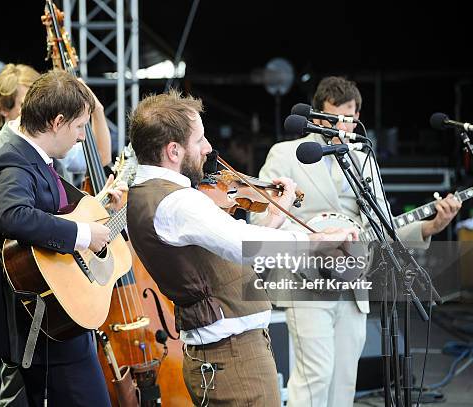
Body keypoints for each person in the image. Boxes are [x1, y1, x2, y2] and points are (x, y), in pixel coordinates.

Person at [126, 90, 357, 406]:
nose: (208, 149)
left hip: (222, 356)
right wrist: (319, 239)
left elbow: (228, 245)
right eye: (200, 140)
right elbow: (244, 245)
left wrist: (273, 217)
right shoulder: (177, 202)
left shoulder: (146, 193)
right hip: (234, 359)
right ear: (173, 151)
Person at [252, 76, 462, 407]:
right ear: (318, 116)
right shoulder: (287, 154)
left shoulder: (362, 158)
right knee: (315, 375)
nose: (343, 126)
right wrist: (315, 238)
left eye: (349, 118)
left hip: (353, 282)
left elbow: (382, 226)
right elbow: (261, 220)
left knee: (344, 379)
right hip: (307, 280)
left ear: (358, 115)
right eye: (335, 118)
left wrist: (431, 225)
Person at [0, 70, 126, 407]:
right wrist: (82, 234)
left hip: (58, 320)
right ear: (57, 122)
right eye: (80, 127)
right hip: (43, 323)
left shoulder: (37, 160)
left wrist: (101, 205)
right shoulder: (12, 160)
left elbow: (56, 211)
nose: (83, 137)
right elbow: (14, 216)